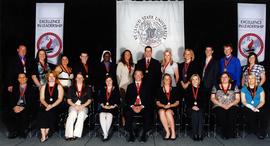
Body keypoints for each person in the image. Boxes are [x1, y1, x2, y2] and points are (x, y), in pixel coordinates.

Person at [211, 72, 240, 139]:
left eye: (226, 77)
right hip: (219, 105)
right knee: (222, 114)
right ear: (220, 79)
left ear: (229, 78)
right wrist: (221, 105)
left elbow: (238, 99)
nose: (224, 78)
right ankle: (224, 133)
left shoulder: (234, 86)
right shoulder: (216, 86)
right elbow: (212, 98)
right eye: (222, 77)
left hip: (232, 104)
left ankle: (231, 132)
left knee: (232, 113)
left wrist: (230, 105)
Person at [6, 73, 36, 138]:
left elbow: (33, 102)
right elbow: (11, 99)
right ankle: (13, 131)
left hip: (27, 106)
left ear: (26, 79)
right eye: (20, 77)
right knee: (7, 113)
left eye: (23, 77)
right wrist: (14, 106)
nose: (22, 79)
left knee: (24, 113)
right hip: (17, 105)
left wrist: (23, 107)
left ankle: (23, 131)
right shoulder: (15, 88)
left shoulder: (32, 88)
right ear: (18, 79)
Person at [124, 70, 151, 142]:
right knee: (127, 114)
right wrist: (133, 106)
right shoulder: (130, 86)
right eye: (136, 74)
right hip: (133, 106)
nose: (138, 76)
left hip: (143, 106)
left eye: (140, 75)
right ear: (134, 76)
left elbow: (149, 99)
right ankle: (131, 135)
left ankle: (144, 135)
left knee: (148, 114)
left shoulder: (147, 86)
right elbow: (127, 99)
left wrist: (141, 106)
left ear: (142, 76)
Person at [37, 71, 64, 142]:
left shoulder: (59, 86)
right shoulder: (43, 86)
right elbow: (41, 99)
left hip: (56, 105)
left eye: (53, 76)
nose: (51, 78)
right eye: (50, 76)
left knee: (50, 113)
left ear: (55, 78)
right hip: (45, 105)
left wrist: (51, 106)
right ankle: (43, 134)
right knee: (42, 113)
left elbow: (60, 99)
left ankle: (47, 131)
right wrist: (47, 105)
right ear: (47, 78)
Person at [65, 72, 92, 140]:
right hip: (73, 106)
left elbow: (89, 100)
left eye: (81, 77)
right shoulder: (71, 88)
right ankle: (69, 134)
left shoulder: (87, 88)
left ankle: (76, 134)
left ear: (83, 79)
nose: (79, 79)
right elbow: (68, 100)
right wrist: (74, 105)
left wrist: (83, 105)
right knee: (72, 114)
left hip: (83, 106)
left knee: (81, 114)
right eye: (78, 77)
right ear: (76, 79)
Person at [241, 74, 267, 139]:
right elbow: (243, 101)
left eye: (252, 78)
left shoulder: (260, 88)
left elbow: (262, 101)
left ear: (255, 80)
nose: (251, 80)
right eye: (249, 78)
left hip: (259, 106)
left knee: (263, 113)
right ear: (247, 80)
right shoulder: (244, 89)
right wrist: (251, 107)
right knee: (250, 114)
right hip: (247, 106)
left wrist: (256, 107)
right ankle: (257, 131)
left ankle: (263, 131)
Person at [156, 73, 179, 140]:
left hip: (172, 108)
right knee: (162, 111)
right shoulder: (159, 90)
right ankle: (168, 132)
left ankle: (173, 132)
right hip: (162, 107)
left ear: (170, 80)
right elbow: (157, 102)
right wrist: (163, 105)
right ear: (163, 80)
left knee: (168, 112)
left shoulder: (175, 90)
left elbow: (177, 102)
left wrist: (170, 105)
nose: (167, 80)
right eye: (165, 79)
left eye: (168, 79)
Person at [98, 76, 120, 141]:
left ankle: (105, 134)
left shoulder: (116, 89)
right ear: (105, 82)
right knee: (102, 115)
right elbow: (100, 99)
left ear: (112, 81)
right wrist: (102, 105)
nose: (108, 82)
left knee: (109, 115)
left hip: (113, 108)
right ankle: (106, 133)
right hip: (104, 107)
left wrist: (113, 106)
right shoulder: (103, 89)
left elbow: (118, 100)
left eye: (110, 80)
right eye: (107, 80)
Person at [116, 49, 134, 126]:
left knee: (130, 103)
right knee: (123, 103)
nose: (127, 55)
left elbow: (133, 75)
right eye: (126, 54)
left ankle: (129, 120)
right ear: (123, 55)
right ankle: (123, 119)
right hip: (123, 86)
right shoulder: (120, 64)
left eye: (129, 54)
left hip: (131, 87)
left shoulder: (132, 65)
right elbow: (118, 76)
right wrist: (120, 86)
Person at [186, 74, 205, 141]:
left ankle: (200, 134)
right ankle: (195, 134)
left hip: (200, 107)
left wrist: (198, 107)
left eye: (196, 79)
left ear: (199, 80)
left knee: (199, 113)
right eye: (193, 79)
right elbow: (187, 100)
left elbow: (204, 101)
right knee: (194, 113)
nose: (194, 81)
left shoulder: (202, 89)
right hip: (190, 108)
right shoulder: (188, 88)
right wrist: (192, 106)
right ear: (191, 80)